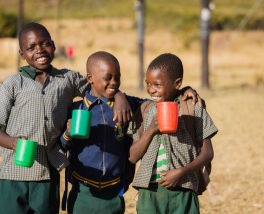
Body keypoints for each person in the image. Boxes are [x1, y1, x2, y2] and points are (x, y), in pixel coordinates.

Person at [0, 22, 133, 214]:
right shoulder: (13, 84)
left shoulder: (68, 79)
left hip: (48, 173)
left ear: (54, 45)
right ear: (22, 54)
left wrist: (119, 95)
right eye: (31, 47)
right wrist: (13, 143)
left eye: (44, 43)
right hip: (12, 174)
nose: (40, 50)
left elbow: (100, 87)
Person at [59, 51, 201, 214]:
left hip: (114, 194)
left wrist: (184, 91)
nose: (114, 82)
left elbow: (160, 99)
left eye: (117, 77)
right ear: (90, 78)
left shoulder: (129, 105)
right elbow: (62, 146)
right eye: (108, 77)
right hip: (82, 192)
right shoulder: (75, 109)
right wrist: (67, 134)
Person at [127, 53, 218, 214]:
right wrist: (151, 130)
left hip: (183, 192)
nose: (151, 90)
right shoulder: (144, 111)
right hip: (149, 193)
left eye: (157, 84)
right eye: (147, 83)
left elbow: (208, 153)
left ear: (177, 83)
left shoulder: (192, 108)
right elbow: (133, 157)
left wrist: (182, 172)